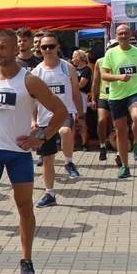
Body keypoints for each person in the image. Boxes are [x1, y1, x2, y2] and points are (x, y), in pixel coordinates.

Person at [0, 30, 70, 274]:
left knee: (24, 207)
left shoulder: (29, 81)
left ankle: (26, 260)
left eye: (3, 48)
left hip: (19, 154)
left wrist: (42, 137)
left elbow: (60, 111)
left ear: (14, 49)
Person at [31, 35, 83, 207]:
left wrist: (81, 116)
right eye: (43, 47)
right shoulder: (36, 72)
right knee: (48, 158)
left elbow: (76, 93)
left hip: (65, 113)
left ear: (58, 47)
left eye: (51, 46)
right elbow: (32, 100)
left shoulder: (67, 68)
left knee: (65, 131)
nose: (47, 50)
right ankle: (50, 193)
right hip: (45, 119)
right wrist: (33, 121)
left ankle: (69, 162)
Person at [99, 24, 137, 178]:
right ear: (116, 35)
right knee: (121, 132)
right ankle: (125, 166)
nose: (123, 36)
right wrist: (118, 77)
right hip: (116, 96)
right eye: (120, 34)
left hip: (133, 92)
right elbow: (104, 75)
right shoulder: (111, 53)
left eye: (126, 33)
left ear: (130, 35)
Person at [72, 50, 93, 149]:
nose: (72, 59)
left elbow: (82, 84)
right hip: (71, 95)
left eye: (74, 57)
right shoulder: (73, 69)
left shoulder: (87, 70)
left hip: (81, 95)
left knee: (81, 119)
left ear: (80, 57)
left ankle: (85, 143)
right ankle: (72, 143)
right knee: (72, 119)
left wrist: (71, 86)